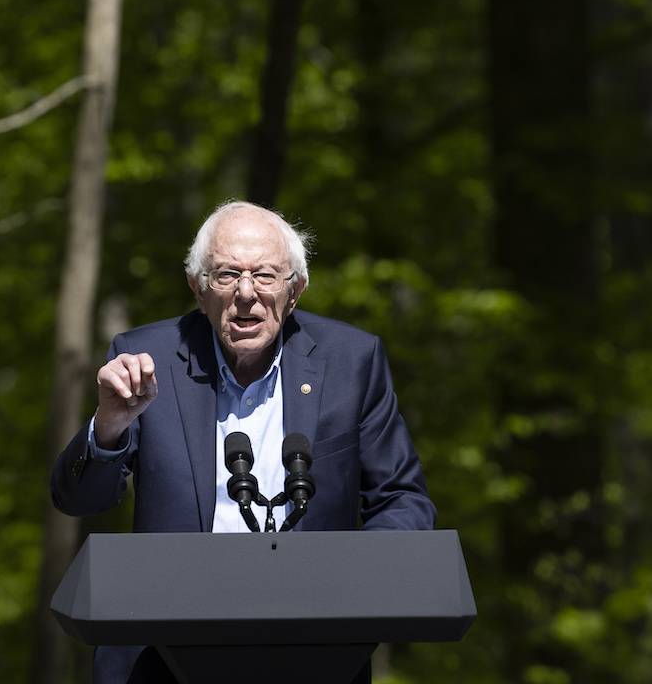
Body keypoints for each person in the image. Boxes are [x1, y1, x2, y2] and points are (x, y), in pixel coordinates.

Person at [50, 200, 435, 681]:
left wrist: (347, 578)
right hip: (165, 654)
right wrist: (109, 426)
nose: (247, 294)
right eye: (228, 275)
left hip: (316, 650)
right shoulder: (145, 359)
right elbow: (78, 499)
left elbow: (404, 501)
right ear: (198, 288)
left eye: (266, 276)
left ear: (295, 290)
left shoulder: (351, 361)